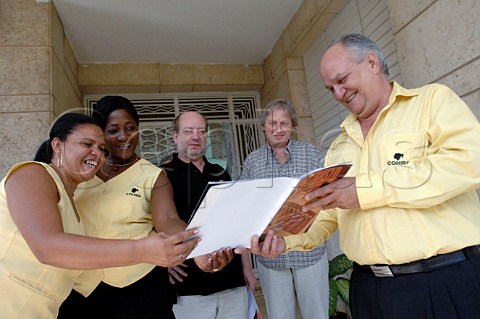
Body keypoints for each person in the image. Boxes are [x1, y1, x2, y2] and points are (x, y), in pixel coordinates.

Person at [248, 33, 480, 319]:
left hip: (442, 281)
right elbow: (326, 215)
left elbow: (468, 163)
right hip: (369, 291)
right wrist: (286, 241)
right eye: (330, 88)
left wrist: (364, 190)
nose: (338, 94)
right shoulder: (338, 145)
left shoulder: (431, 102)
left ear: (372, 62)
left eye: (342, 80)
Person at [0, 113, 199, 318]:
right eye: (87, 144)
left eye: (101, 148)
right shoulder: (32, 173)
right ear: (58, 145)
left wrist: (193, 247)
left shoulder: (73, 206)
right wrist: (142, 250)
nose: (96, 153)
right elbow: (47, 247)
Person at [57, 96, 226, 319]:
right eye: (113, 130)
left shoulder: (153, 175)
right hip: (82, 288)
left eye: (130, 128)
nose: (124, 137)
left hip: (140, 287)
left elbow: (167, 220)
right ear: (99, 132)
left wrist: (198, 249)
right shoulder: (81, 172)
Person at [240, 98, 329, 319]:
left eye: (284, 123)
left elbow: (326, 197)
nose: (278, 129)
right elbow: (245, 208)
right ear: (263, 127)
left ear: (292, 125)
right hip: (271, 257)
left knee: (317, 314)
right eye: (272, 123)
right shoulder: (253, 161)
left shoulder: (311, 153)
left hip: (310, 253)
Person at [162, 111, 256, 319]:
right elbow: (153, 226)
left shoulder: (220, 172)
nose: (195, 136)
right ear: (176, 137)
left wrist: (247, 269)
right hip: (189, 288)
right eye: (188, 131)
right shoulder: (163, 175)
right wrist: (162, 264)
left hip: (232, 282)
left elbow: (238, 221)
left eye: (201, 131)